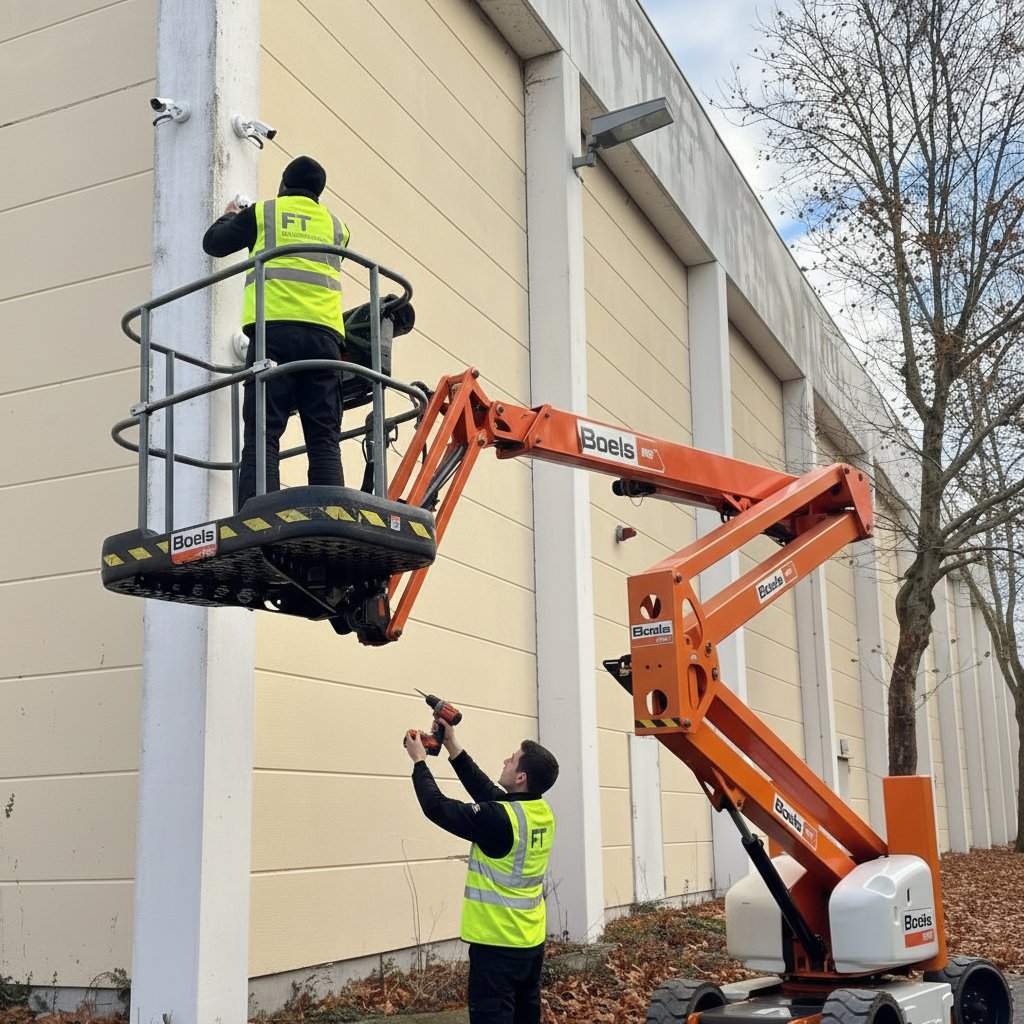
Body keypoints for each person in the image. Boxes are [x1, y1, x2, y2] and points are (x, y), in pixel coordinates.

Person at [202, 155, 351, 509]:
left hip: (274, 335)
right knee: (323, 435)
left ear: (283, 184)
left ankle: (257, 512)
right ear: (319, 192)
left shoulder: (263, 214)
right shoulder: (337, 227)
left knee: (263, 431)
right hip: (324, 339)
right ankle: (331, 512)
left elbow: (214, 243)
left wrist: (231, 216)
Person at [405, 719, 559, 1024]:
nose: (505, 760)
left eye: (512, 759)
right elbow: (485, 789)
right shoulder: (539, 812)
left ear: (521, 776)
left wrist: (420, 762)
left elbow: (437, 807)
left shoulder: (499, 820)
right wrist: (452, 745)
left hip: (497, 947)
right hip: (529, 944)